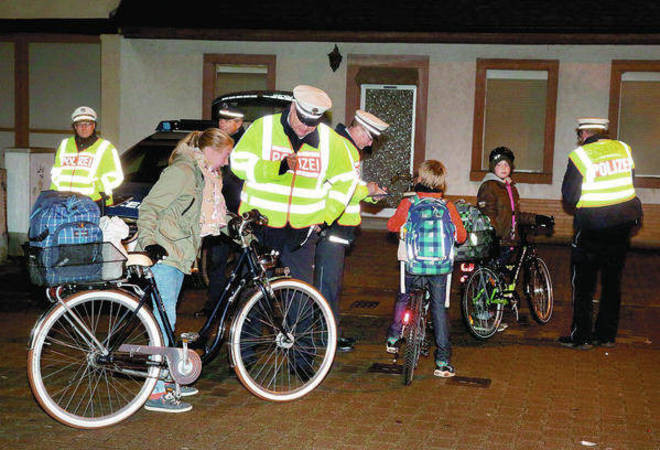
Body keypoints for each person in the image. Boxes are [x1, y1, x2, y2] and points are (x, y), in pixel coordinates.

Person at [137, 128, 234, 413]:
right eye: (225, 155)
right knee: (162, 319)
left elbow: (207, 216)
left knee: (166, 320)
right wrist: (148, 242)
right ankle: (154, 392)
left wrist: (239, 227)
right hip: (165, 253)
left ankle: (166, 377)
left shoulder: (203, 175)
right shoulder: (182, 171)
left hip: (179, 255)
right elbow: (149, 208)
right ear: (211, 152)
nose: (227, 163)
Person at [230, 85, 357, 284]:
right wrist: (276, 168)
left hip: (302, 231)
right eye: (303, 120)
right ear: (292, 107)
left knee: (300, 297)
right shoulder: (263, 127)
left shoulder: (330, 141)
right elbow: (237, 163)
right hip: (260, 225)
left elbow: (347, 180)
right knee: (254, 294)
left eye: (312, 123)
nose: (306, 127)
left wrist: (325, 217)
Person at [558, 117, 642, 350]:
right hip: (622, 225)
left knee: (584, 283)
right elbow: (629, 183)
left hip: (591, 227)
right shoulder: (624, 149)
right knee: (612, 282)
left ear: (584, 134)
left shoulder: (581, 156)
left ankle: (582, 337)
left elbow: (570, 196)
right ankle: (606, 335)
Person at [314, 110, 389, 352]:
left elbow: (350, 188)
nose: (369, 144)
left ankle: (330, 334)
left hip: (338, 229)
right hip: (330, 227)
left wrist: (371, 193)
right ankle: (325, 338)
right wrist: (368, 189)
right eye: (369, 138)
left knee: (331, 285)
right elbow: (341, 187)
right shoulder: (342, 147)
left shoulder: (347, 148)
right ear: (358, 128)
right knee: (327, 285)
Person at [385, 160, 466, 377]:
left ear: (419, 179)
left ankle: (394, 336)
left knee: (404, 295)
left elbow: (391, 226)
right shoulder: (448, 207)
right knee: (439, 309)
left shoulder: (409, 203)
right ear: (441, 182)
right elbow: (461, 236)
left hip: (412, 264)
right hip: (440, 268)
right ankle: (442, 362)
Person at [476, 146, 550, 331]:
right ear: (492, 166)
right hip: (497, 240)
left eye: (506, 164)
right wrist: (492, 233)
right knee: (491, 278)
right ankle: (481, 314)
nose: (503, 167)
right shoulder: (489, 186)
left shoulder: (510, 187)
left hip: (509, 241)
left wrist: (537, 218)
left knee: (500, 277)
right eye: (499, 164)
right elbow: (487, 214)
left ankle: (493, 310)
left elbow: (514, 215)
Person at [197, 103, 246, 317]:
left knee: (243, 263)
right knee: (217, 261)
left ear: (239, 123)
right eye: (220, 120)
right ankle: (215, 306)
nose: (222, 124)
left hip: (240, 212)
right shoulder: (215, 142)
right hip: (219, 213)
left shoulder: (246, 144)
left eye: (227, 121)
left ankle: (241, 307)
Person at [50, 106, 124, 208]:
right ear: (75, 127)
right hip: (64, 203)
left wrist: (97, 187)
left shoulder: (105, 147)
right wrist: (52, 195)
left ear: (93, 126)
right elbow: (56, 173)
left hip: (92, 203)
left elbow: (116, 176)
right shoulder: (64, 144)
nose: (83, 127)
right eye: (80, 124)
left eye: (87, 124)